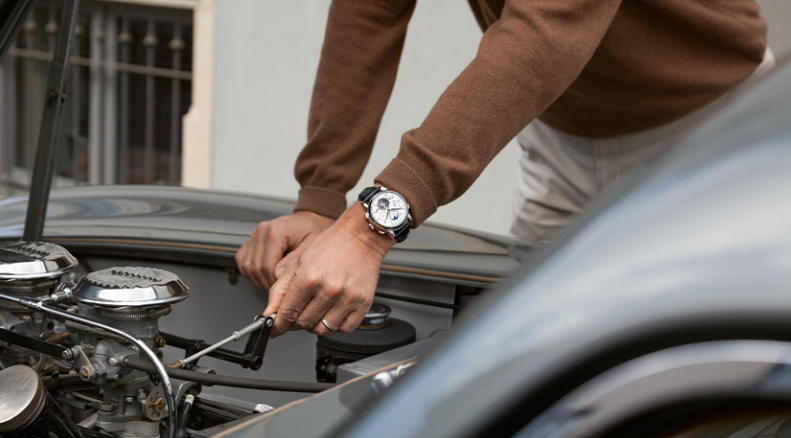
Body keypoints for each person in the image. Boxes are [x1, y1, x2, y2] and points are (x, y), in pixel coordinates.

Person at [236, 0, 771, 338]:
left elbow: (545, 27)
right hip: (561, 137)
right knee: (538, 358)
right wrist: (320, 195)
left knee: (725, 367)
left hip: (711, 133)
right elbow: (369, 11)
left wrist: (368, 229)